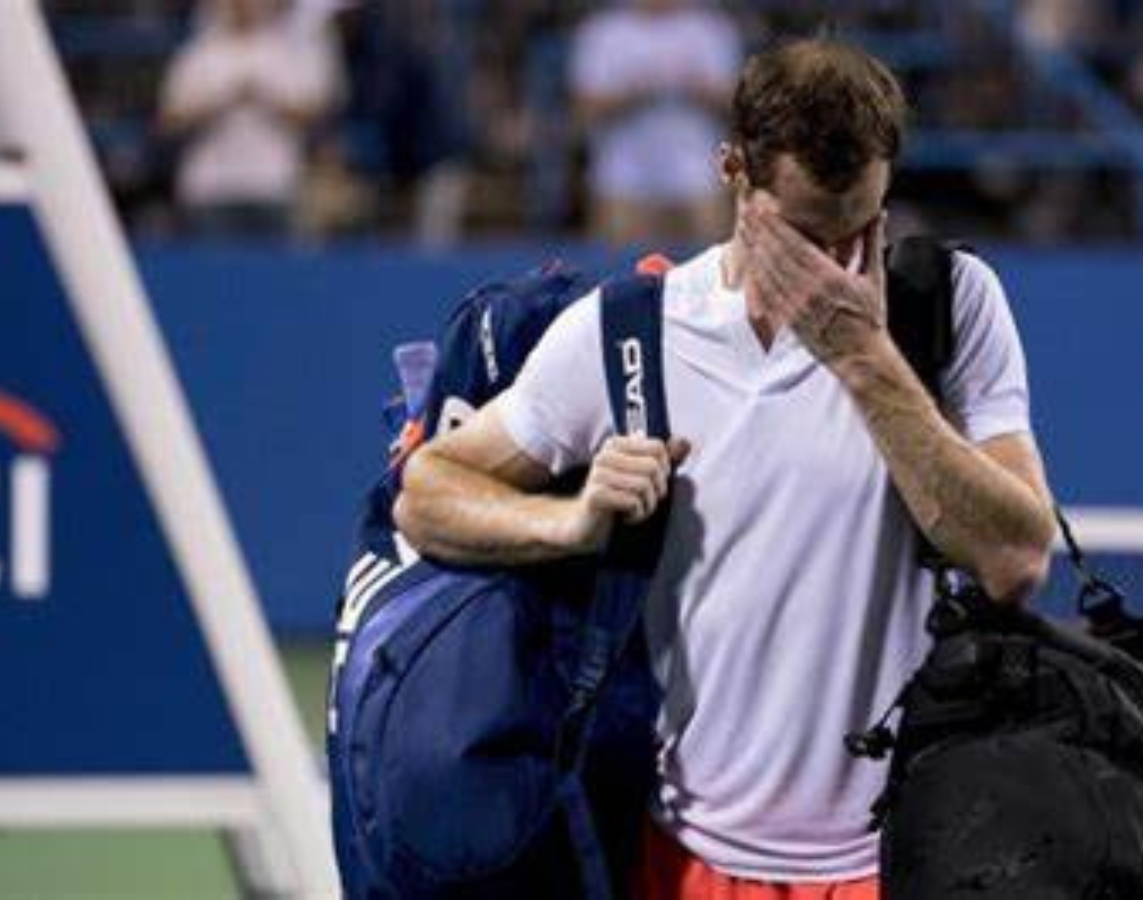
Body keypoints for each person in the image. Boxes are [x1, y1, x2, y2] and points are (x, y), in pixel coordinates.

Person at [394, 37, 1057, 898]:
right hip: (689, 861)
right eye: (809, 236)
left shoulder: (950, 306)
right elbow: (427, 493)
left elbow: (1017, 559)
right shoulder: (627, 331)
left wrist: (864, 361)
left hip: (908, 854)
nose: (840, 266)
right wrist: (570, 520)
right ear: (732, 172)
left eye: (864, 228)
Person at [158, 0, 343, 237]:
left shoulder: (287, 53)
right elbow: (168, 121)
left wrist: (265, 99)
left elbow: (314, 115)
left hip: (273, 184)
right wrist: (221, 103)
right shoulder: (197, 54)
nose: (244, 5)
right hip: (211, 188)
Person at [570, 0, 741, 246]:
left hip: (695, 162)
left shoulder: (710, 28)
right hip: (624, 164)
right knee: (614, 256)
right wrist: (632, 94)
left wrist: (695, 87)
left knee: (712, 251)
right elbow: (584, 110)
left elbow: (735, 102)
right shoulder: (603, 31)